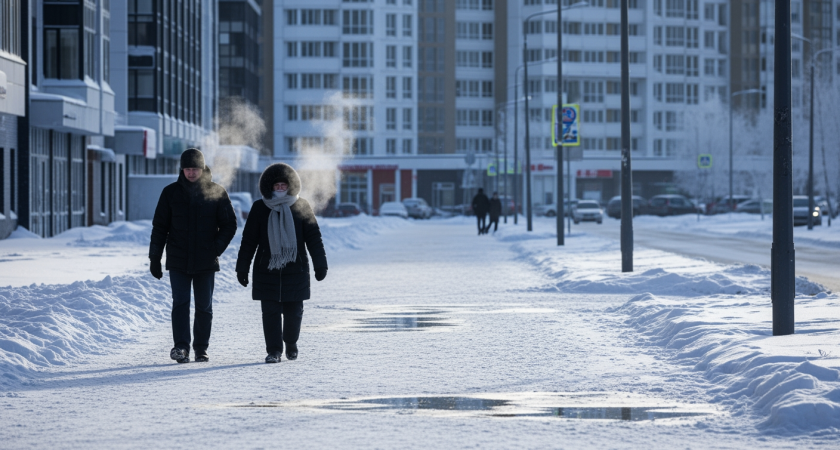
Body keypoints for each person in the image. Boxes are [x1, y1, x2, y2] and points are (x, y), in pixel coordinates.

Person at [149, 148, 237, 363]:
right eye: (187, 169)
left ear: (202, 168)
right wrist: (155, 258)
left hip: (206, 261)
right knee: (180, 303)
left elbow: (229, 225)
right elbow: (160, 227)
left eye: (194, 169)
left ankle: (200, 348)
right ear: (182, 169)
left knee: (204, 306)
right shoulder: (170, 193)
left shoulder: (216, 192)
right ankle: (181, 348)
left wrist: (215, 249)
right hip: (178, 260)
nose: (191, 173)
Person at [236, 163, 328, 364]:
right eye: (276, 185)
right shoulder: (259, 207)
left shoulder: (301, 206)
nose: (279, 188)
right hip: (266, 268)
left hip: (296, 268)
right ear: (269, 186)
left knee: (294, 313)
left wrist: (320, 264)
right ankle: (274, 351)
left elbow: (313, 237)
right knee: (270, 313)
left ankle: (291, 342)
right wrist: (242, 266)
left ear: (290, 185)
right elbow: (249, 240)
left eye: (283, 185)